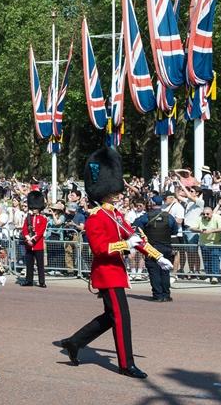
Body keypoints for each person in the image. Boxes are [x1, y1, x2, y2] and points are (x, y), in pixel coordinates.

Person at [58, 148, 172, 379]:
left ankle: (74, 342)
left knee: (112, 316)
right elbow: (101, 249)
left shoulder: (116, 215)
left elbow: (135, 239)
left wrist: (157, 256)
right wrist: (125, 245)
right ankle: (125, 363)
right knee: (121, 317)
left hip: (117, 272)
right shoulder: (95, 218)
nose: (118, 193)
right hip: (106, 273)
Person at [136, 196, 177, 301]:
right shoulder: (169, 217)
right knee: (165, 271)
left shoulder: (146, 216)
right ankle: (166, 295)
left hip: (151, 247)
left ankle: (158, 295)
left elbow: (137, 227)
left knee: (154, 271)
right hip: (166, 246)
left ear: (151, 203)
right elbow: (174, 231)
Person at [186, 203, 221, 283]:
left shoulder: (217, 217)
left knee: (214, 259)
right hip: (204, 243)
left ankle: (215, 276)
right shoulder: (200, 218)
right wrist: (199, 230)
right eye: (204, 214)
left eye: (207, 214)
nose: (205, 215)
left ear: (211, 213)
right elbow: (191, 228)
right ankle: (208, 275)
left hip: (215, 242)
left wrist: (211, 230)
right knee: (206, 260)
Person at [20, 190, 48, 287]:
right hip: (29, 245)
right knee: (29, 264)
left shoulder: (43, 219)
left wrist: (33, 240)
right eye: (33, 207)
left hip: (38, 245)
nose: (34, 209)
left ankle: (41, 281)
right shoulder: (28, 218)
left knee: (40, 265)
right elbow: (24, 229)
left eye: (36, 207)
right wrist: (28, 239)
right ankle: (29, 280)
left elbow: (40, 232)